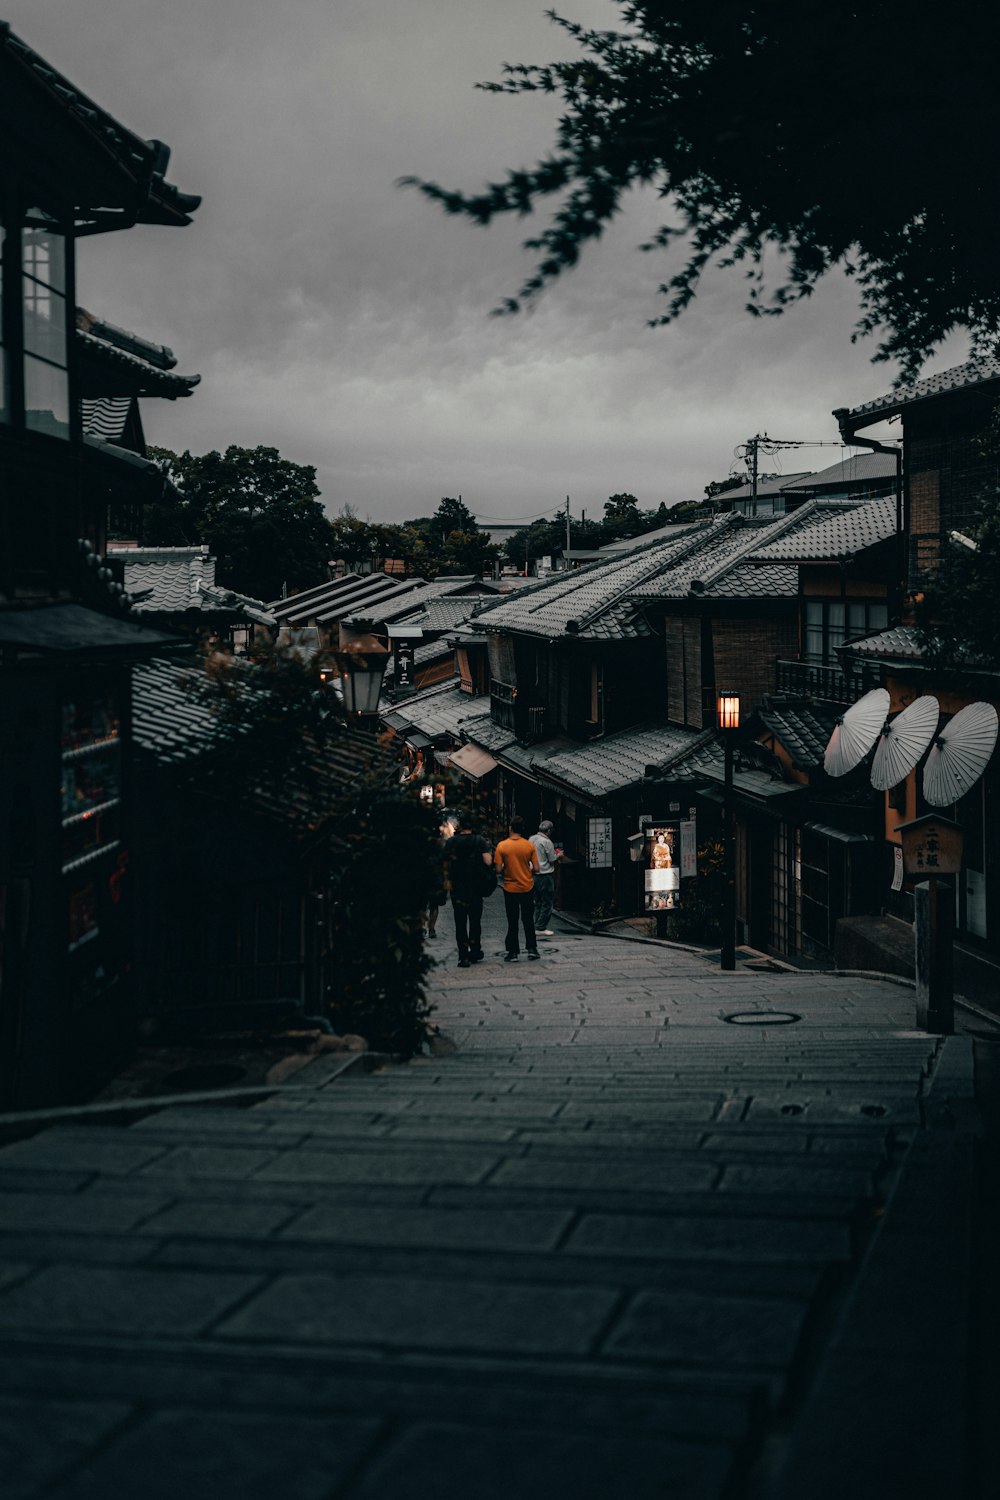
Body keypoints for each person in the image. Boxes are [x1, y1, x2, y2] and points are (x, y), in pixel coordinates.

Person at [444, 812, 492, 967]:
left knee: (460, 922)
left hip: (457, 887)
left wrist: (447, 881)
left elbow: (444, 864)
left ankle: (463, 956)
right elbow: (488, 861)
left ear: (459, 826)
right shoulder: (479, 841)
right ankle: (475, 950)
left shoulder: (451, 842)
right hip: (475, 887)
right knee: (475, 921)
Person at [494, 815, 540, 962]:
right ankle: (532, 949)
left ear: (510, 828)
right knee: (528, 920)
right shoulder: (528, 845)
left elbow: (498, 869)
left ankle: (513, 952)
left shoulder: (502, 846)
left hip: (510, 888)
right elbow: (537, 868)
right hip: (527, 886)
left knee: (512, 921)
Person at [530, 818, 557, 936]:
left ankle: (537, 925)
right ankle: (540, 927)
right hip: (545, 874)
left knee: (538, 901)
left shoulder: (531, 839)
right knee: (547, 902)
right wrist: (559, 855)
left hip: (534, 874)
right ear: (549, 831)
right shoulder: (547, 842)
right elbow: (552, 859)